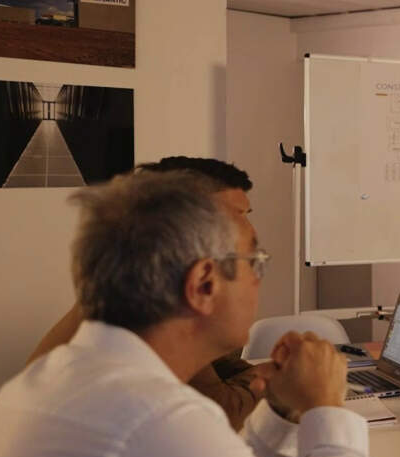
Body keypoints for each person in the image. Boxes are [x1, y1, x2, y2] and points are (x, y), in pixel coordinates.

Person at [0, 170, 378, 457]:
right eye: (254, 259)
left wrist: (283, 413)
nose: (259, 278)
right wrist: (325, 410)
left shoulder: (60, 377)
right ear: (203, 283)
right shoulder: (147, 419)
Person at [26, 156, 267, 430]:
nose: (251, 232)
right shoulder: (148, 311)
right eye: (237, 216)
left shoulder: (128, 291)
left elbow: (219, 374)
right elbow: (215, 413)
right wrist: (276, 379)